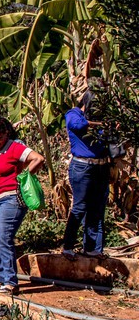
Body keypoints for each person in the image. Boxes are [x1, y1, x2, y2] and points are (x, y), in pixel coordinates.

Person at [0, 119, 44, 295]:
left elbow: (38, 158)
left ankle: (11, 281)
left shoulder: (15, 148)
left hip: (11, 199)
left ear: (6, 134)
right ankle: (0, 276)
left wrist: (24, 177)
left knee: (5, 237)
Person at [61, 91, 111, 259]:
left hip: (101, 167)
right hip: (82, 167)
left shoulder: (105, 118)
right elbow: (78, 125)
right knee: (80, 207)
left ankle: (92, 248)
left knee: (97, 209)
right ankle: (68, 246)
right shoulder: (74, 114)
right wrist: (102, 123)